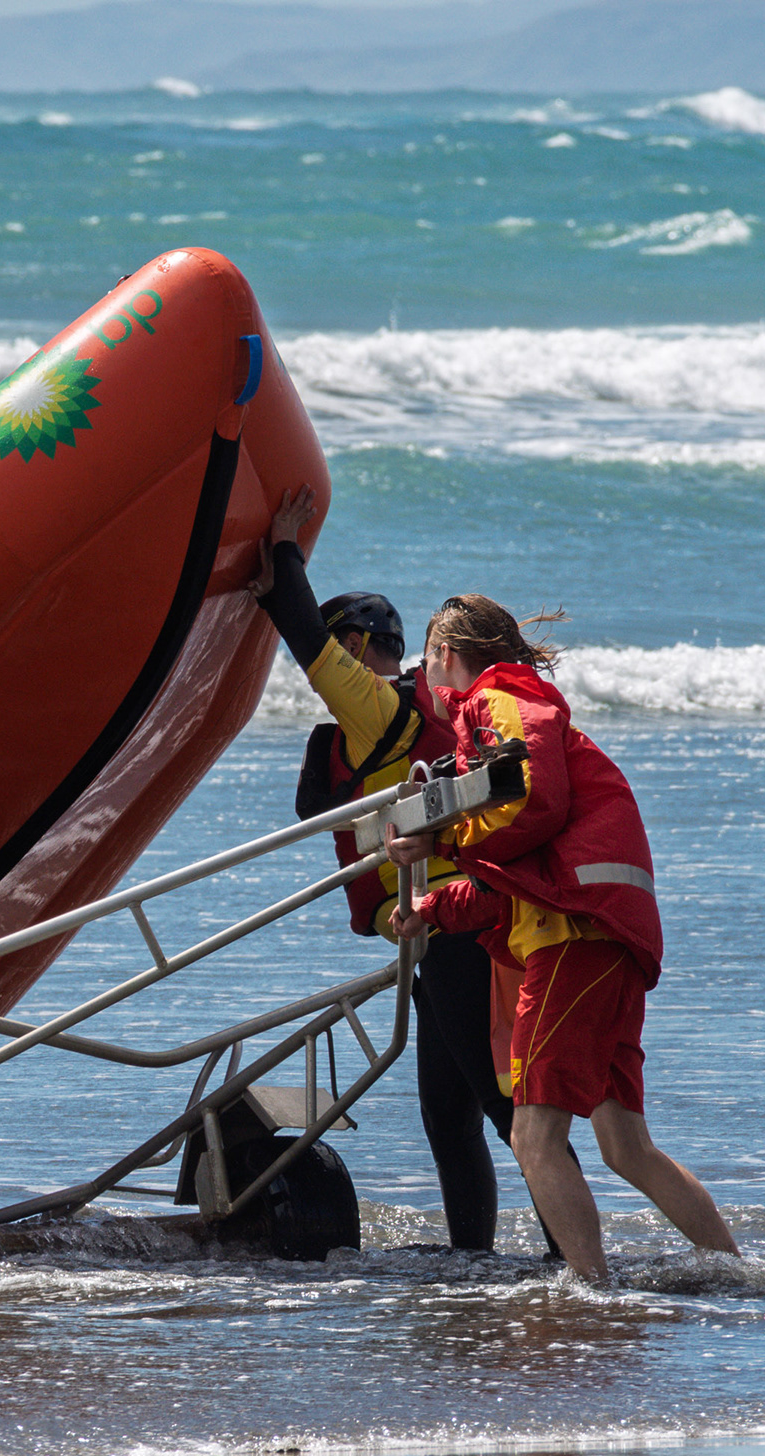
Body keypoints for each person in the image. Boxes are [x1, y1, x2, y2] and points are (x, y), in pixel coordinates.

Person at [385, 593, 740, 1284]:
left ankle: (592, 1292)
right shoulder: (490, 728)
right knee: (625, 1145)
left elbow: (531, 799)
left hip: (576, 936)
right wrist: (432, 906)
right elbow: (513, 879)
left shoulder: (501, 698)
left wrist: (441, 833)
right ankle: (740, 1274)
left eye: (424, 661)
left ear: (444, 657)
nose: (422, 679)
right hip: (599, 928)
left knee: (533, 1134)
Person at [253, 487, 546, 1255]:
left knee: (500, 1109)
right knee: (451, 1115)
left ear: (358, 645)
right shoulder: (403, 721)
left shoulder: (379, 713)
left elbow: (306, 641)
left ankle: (566, 1258)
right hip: (440, 932)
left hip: (454, 930)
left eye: (354, 647)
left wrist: (280, 548)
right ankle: (474, 1260)